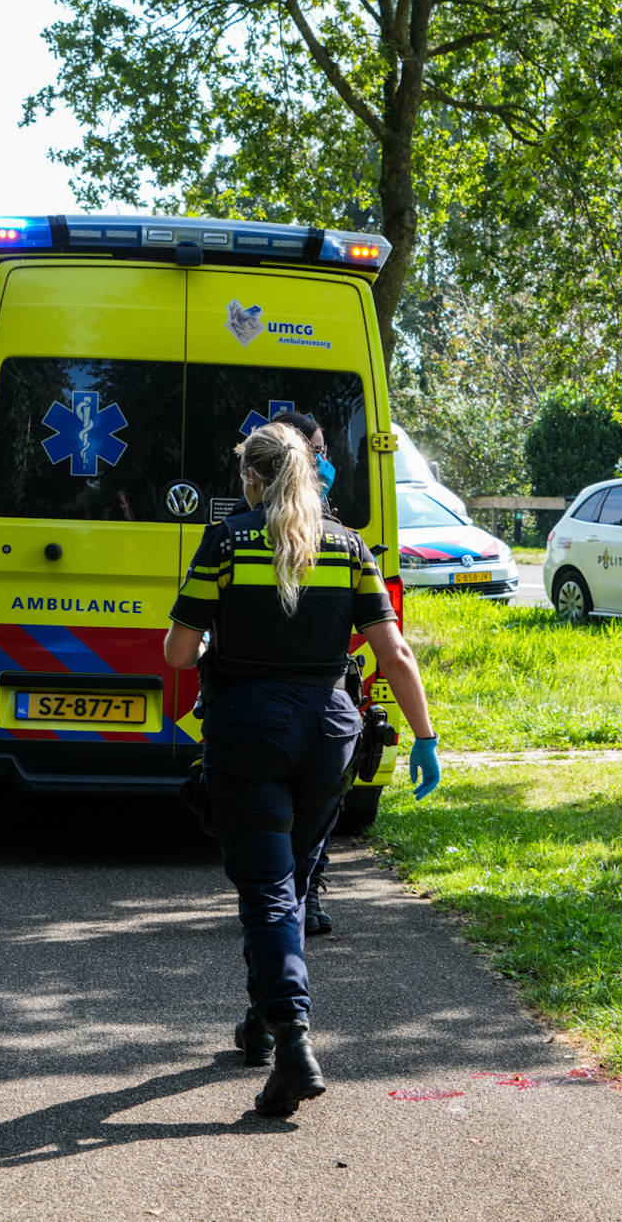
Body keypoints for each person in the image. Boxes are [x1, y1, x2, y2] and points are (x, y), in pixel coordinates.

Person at [163, 421, 441, 1117]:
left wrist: (214, 656)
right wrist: (425, 736)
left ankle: (293, 1042)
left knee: (267, 892)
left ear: (252, 479)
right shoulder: (349, 546)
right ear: (309, 473)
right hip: (328, 736)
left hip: (249, 734)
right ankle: (261, 1024)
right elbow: (395, 653)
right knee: (288, 882)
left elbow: (177, 651)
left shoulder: (225, 542)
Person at [275, 412, 342, 937]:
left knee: (320, 802)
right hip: (274, 693)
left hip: (321, 686)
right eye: (315, 451)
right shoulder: (247, 530)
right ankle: (283, 893)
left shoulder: (337, 529)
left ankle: (307, 888)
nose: (324, 460)